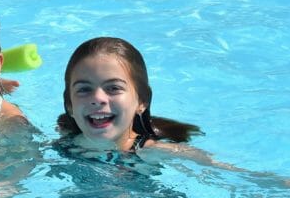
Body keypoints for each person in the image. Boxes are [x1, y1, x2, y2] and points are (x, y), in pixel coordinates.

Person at [57, 36, 200, 154]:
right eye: (84, 89)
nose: (97, 99)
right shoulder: (63, 147)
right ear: (69, 105)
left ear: (142, 101)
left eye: (113, 88)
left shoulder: (156, 152)